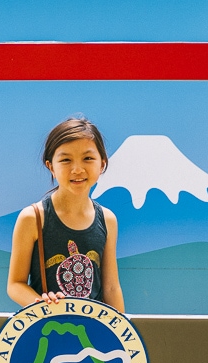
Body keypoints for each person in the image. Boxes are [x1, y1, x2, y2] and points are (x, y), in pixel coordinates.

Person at [7, 117, 125, 313]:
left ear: (102, 163)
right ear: (50, 166)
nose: (77, 169)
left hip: (93, 331)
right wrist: (43, 304)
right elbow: (15, 284)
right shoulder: (33, 218)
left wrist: (122, 334)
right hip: (47, 328)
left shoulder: (107, 219)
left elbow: (111, 287)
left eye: (88, 158)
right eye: (65, 160)